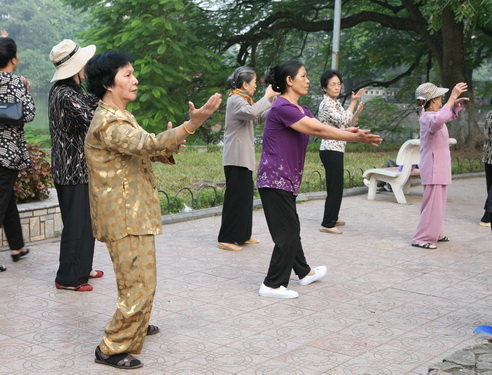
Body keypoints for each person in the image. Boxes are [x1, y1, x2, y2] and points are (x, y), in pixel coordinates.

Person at [84, 51, 221, 369]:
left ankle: (137, 323)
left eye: (134, 73)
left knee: (137, 279)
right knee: (139, 283)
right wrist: (191, 125)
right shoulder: (110, 121)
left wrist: (167, 143)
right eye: (127, 74)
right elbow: (145, 145)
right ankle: (111, 347)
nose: (136, 80)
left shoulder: (119, 115)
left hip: (131, 212)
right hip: (124, 215)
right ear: (108, 83)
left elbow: (137, 149)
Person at [257, 60, 382, 299]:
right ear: (289, 81)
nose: (307, 80)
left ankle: (304, 272)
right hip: (274, 178)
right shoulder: (281, 107)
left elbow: (320, 126)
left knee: (291, 228)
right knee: (288, 232)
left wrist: (350, 132)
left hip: (287, 179)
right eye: (303, 76)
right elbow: (318, 131)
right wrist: (353, 138)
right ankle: (272, 284)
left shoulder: (303, 110)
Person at [48, 39, 103, 292]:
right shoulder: (65, 94)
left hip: (77, 168)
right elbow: (92, 118)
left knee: (85, 221)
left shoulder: (70, 91)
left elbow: (90, 102)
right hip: (72, 170)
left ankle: (82, 267)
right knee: (76, 224)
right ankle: (68, 278)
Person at [217, 66, 278, 252]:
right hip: (235, 157)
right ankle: (226, 238)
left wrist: (275, 102)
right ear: (245, 84)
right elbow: (252, 113)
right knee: (235, 199)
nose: (255, 87)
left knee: (245, 198)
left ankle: (243, 235)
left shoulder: (246, 101)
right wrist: (267, 97)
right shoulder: (235, 99)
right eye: (253, 83)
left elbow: (257, 118)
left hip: (243, 156)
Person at [411, 82, 468, 249]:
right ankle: (421, 238)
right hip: (434, 167)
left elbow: (445, 117)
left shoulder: (433, 115)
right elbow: (439, 119)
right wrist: (453, 97)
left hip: (439, 166)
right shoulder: (428, 117)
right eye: (440, 96)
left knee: (439, 203)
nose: (442, 99)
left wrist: (454, 105)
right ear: (433, 100)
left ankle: (436, 232)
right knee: (432, 205)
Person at [0, 36, 35, 272]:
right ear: (14, 58)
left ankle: (17, 247)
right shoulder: (15, 82)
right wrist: (25, 89)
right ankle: (16, 247)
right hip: (7, 154)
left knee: (7, 199)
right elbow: (30, 113)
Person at [318, 69, 364, 234]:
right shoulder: (326, 103)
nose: (337, 87)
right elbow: (344, 120)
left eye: (338, 84)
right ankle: (327, 223)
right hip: (330, 148)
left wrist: (356, 110)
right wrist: (352, 103)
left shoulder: (335, 103)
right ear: (324, 88)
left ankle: (333, 217)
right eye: (333, 84)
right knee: (335, 187)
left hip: (336, 148)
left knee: (336, 186)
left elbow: (346, 123)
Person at [479, 110, 492, 227]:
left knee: (490, 188)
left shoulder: (488, 114)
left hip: (488, 156)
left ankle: (487, 216)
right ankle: (487, 217)